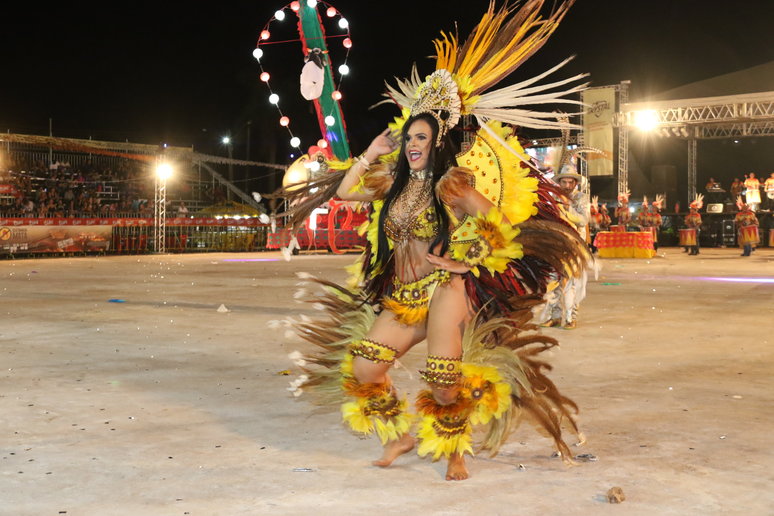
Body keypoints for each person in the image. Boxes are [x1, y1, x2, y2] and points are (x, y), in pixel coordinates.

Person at [277, 1, 590, 481]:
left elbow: (500, 223)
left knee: (444, 383)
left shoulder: (454, 184)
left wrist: (464, 264)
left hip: (444, 291)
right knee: (364, 370)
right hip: (402, 298)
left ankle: (454, 450)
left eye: (421, 137)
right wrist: (370, 152)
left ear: (437, 140)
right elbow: (343, 191)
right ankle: (400, 435)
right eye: (408, 138)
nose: (413, 144)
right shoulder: (392, 182)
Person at [536, 168, 592, 329]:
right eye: (564, 182)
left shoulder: (581, 198)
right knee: (553, 281)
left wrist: (568, 208)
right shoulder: (552, 199)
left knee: (571, 283)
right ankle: (553, 316)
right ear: (559, 183)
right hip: (555, 245)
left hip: (574, 246)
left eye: (570, 182)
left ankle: (570, 318)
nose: (567, 185)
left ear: (575, 183)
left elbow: (583, 220)